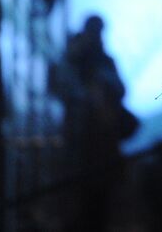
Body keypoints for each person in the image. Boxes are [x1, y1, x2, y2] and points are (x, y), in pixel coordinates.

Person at [48, 15, 137, 231]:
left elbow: (120, 90)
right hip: (79, 149)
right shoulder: (74, 59)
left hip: (99, 152)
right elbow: (58, 87)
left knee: (97, 210)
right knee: (78, 208)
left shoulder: (104, 61)